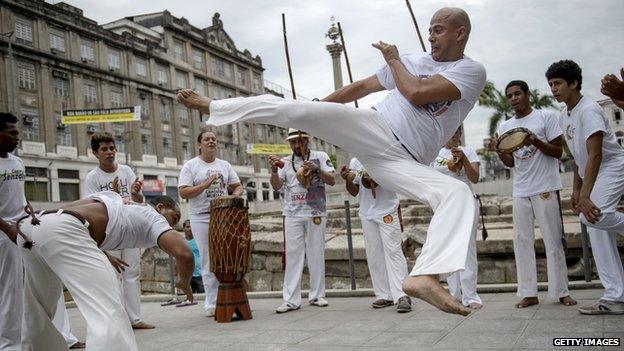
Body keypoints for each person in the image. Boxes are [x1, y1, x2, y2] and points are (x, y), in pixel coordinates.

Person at [177, 7, 486, 315]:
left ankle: (424, 275)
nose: (431, 36)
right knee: (292, 108)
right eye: (429, 29)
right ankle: (214, 106)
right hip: (377, 130)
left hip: (405, 162)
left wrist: (393, 58)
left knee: (458, 195)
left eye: (439, 29)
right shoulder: (414, 60)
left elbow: (417, 92)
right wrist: (316, 111)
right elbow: (361, 88)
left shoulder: (470, 72)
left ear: (460, 33)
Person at [19, 193, 193, 351]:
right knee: (107, 309)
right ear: (160, 207)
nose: (173, 224)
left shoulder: (118, 199)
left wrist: (103, 253)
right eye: (174, 217)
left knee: (38, 306)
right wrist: (184, 282)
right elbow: (184, 253)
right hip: (65, 229)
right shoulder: (153, 216)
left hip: (32, 225)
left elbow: (74, 210)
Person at [546, 60, 624, 314]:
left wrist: (587, 194)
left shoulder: (589, 109)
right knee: (596, 226)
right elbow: (579, 158)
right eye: (551, 84)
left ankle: (616, 294)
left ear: (574, 83)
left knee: (593, 216)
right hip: (592, 171)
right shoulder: (563, 115)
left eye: (558, 83)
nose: (553, 89)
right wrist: (577, 190)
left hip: (612, 166)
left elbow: (596, 154)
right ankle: (616, 296)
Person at [491, 80, 576, 309]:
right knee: (521, 241)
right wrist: (498, 151)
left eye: (518, 94)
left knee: (553, 239)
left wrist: (535, 141)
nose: (513, 98)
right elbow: (510, 162)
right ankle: (529, 292)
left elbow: (558, 152)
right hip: (521, 189)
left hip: (546, 186)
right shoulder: (504, 126)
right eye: (509, 96)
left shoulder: (546, 117)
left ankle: (561, 291)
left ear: (528, 94)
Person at [84, 132, 152, 329]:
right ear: (95, 153)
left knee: (132, 273)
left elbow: (139, 201)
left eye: (112, 148)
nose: (109, 153)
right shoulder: (92, 178)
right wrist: (113, 196)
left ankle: (135, 319)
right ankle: (119, 320)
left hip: (130, 227)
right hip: (110, 231)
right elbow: (93, 207)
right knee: (113, 275)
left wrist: (136, 194)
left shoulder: (126, 171)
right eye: (104, 149)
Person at [267, 129, 336, 313]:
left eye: (300, 141)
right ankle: (290, 300)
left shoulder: (320, 156)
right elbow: (276, 186)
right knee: (293, 256)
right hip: (292, 213)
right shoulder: (286, 161)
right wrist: (274, 170)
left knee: (316, 253)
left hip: (315, 212)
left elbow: (332, 180)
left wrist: (317, 170)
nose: (297, 146)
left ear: (307, 140)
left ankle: (317, 295)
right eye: (293, 142)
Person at [178, 128, 244, 317]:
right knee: (208, 259)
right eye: (207, 139)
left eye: (214, 139)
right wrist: (206, 184)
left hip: (223, 215)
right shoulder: (191, 166)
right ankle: (211, 302)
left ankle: (228, 298)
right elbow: (183, 192)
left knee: (225, 257)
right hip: (201, 216)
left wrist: (235, 196)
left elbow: (237, 186)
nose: (211, 142)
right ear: (200, 144)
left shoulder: (224, 165)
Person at [342, 157, 411, 313]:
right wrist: (347, 179)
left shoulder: (383, 153)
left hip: (387, 210)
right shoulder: (355, 161)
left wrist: (369, 176)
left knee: (393, 251)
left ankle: (402, 294)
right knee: (374, 254)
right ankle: (384, 294)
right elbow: (354, 191)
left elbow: (392, 180)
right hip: (367, 213)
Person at [432, 126, 482, 309]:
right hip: (444, 205)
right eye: (449, 131)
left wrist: (464, 159)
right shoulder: (434, 155)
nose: (452, 135)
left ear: (460, 134)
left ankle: (471, 296)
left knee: (467, 248)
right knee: (449, 248)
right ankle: (454, 293)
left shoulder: (469, 151)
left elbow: (475, 177)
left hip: (466, 203)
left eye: (455, 131)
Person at [0, 112, 26, 351]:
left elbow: (20, 197)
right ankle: (9, 345)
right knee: (9, 290)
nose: (17, 137)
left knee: (19, 289)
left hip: (20, 229)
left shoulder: (17, 162)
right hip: (4, 234)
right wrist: (7, 229)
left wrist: (29, 211)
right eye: (12, 132)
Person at [183, 219, 204, 293]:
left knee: (201, 297)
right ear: (184, 228)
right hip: (186, 275)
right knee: (187, 298)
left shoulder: (199, 240)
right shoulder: (181, 242)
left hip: (199, 275)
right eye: (188, 227)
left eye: (191, 227)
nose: (190, 229)